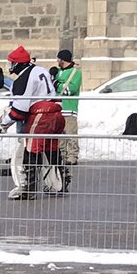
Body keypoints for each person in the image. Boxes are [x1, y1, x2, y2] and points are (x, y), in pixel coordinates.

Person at [1, 45, 55, 200]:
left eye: (12, 62)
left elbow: (20, 109)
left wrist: (3, 123)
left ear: (18, 63)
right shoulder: (40, 70)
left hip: (36, 116)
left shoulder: (24, 78)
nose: (10, 66)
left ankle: (27, 187)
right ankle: (57, 182)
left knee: (26, 151)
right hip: (52, 112)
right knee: (50, 151)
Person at [54, 49, 82, 190]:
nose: (57, 61)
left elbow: (70, 89)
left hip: (69, 108)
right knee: (60, 136)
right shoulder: (59, 72)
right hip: (58, 108)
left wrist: (56, 84)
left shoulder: (75, 72)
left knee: (71, 133)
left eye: (58, 59)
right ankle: (63, 155)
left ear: (63, 60)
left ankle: (72, 156)